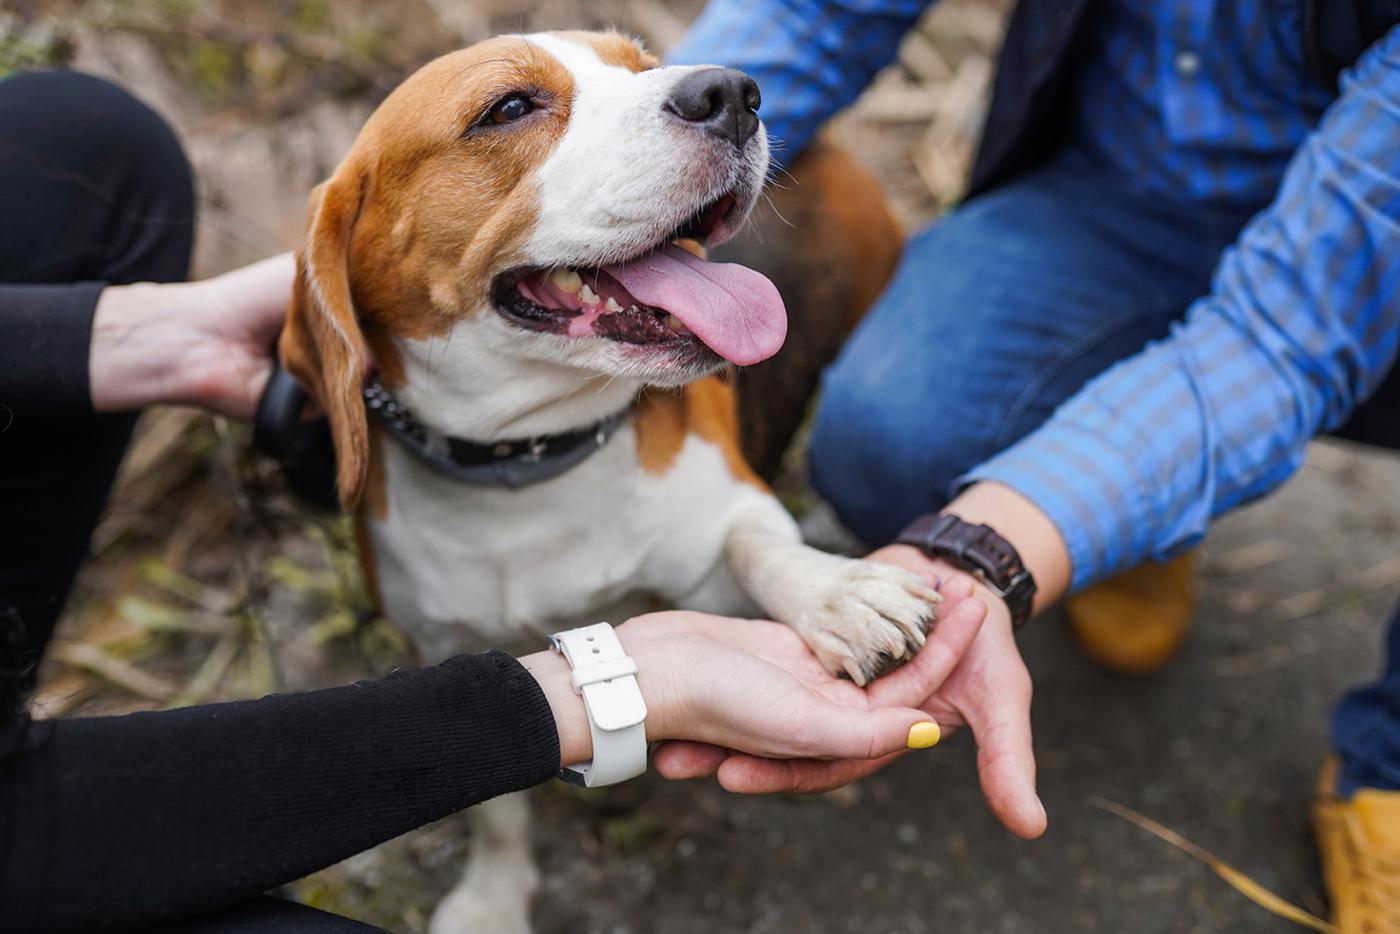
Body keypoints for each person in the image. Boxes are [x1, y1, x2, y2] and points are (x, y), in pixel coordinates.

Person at [0, 70, 991, 932]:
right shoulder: (367, 400)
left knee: (89, 136)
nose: (715, 92)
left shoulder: (720, 318)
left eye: (626, 79)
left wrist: (789, 569)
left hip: (801, 291)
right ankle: (501, 858)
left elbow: (735, 522)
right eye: (512, 109)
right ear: (357, 260)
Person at [667, 1, 1400, 928]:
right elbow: (822, 12)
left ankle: (1390, 768)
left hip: (1371, 269)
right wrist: (639, 164)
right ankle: (1128, 522)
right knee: (892, 434)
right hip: (1116, 201)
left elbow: (1283, 337)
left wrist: (983, 551)